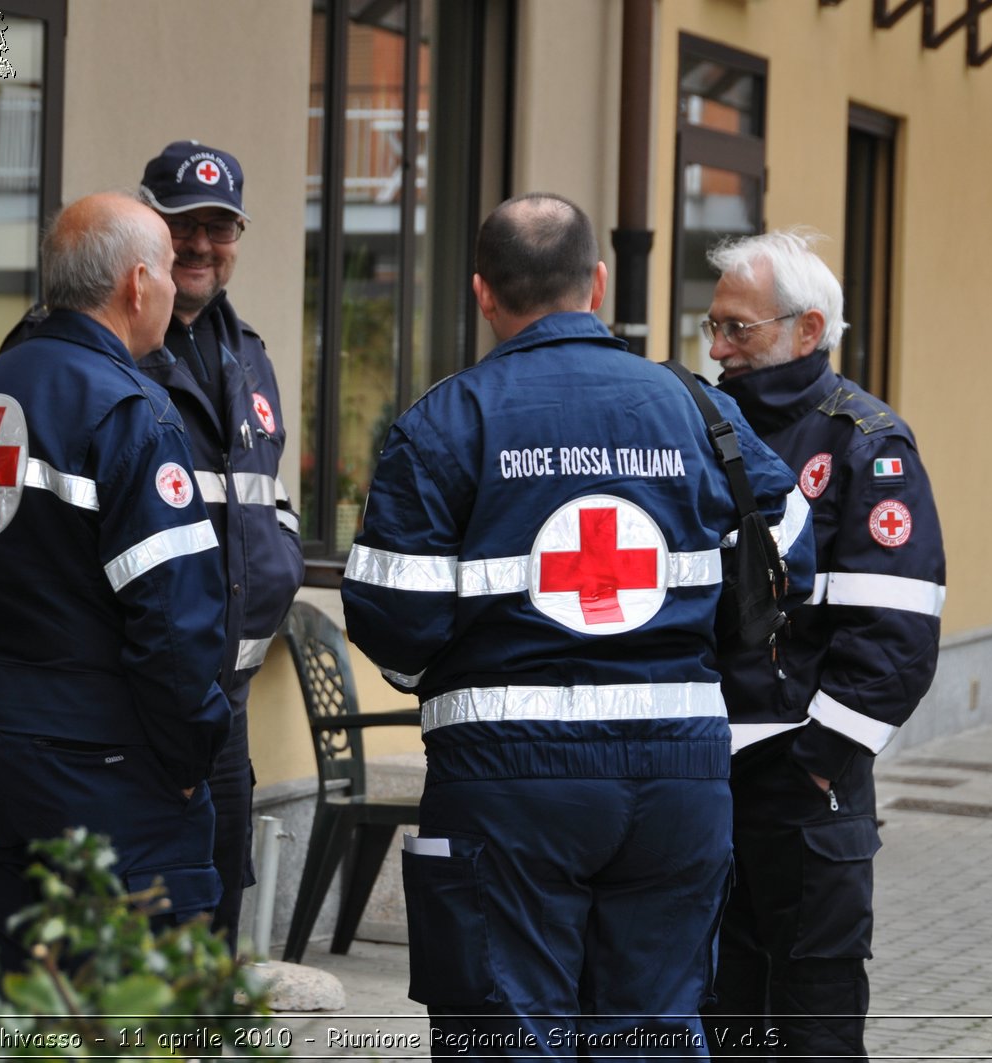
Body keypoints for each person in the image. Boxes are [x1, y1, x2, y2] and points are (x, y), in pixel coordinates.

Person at [341, 193, 814, 1058]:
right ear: (597, 282)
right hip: (678, 774)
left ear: (483, 293)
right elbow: (789, 552)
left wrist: (445, 676)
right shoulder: (696, 410)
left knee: (507, 1036)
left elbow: (390, 612)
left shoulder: (446, 422)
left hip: (504, 781)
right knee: (653, 1035)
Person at [0, 191, 231, 972]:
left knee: (1, 988)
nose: (177, 289)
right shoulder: (131, 413)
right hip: (110, 770)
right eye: (170, 270)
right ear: (138, 285)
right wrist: (186, 759)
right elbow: (174, 629)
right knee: (127, 1006)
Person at [0, 142, 304, 941]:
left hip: (218, 705)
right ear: (147, 252)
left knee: (210, 919)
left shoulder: (250, 356)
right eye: (182, 226)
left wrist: (281, 559)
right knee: (127, 938)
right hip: (128, 706)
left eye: (219, 226)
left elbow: (262, 497)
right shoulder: (83, 362)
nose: (201, 244)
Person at [700, 229, 947, 1061]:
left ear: (808, 330)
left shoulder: (865, 444)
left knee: (814, 1023)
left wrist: (815, 758)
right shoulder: (701, 429)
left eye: (740, 328)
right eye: (714, 327)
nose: (719, 347)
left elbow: (899, 634)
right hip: (699, 777)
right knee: (719, 1013)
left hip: (804, 792)